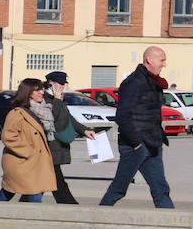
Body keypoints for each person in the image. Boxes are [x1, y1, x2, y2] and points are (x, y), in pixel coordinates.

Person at [99, 46, 174, 208]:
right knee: (119, 189)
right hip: (135, 146)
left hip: (153, 143)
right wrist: (136, 143)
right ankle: (95, 220)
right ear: (149, 60)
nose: (165, 64)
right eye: (162, 60)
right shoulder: (133, 82)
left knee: (160, 188)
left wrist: (157, 136)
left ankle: (173, 226)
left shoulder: (153, 82)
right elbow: (122, 116)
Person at [0, 78, 56, 202]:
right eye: (37, 90)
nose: (41, 92)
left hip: (36, 162)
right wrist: (29, 152)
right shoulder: (17, 113)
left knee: (17, 192)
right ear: (27, 93)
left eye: (42, 90)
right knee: (27, 192)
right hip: (22, 162)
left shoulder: (43, 111)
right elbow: (8, 137)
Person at [43, 71, 98, 204]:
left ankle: (67, 204)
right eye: (60, 84)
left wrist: (84, 130)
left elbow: (67, 118)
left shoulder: (58, 99)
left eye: (64, 84)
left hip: (58, 144)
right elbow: (51, 118)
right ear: (50, 83)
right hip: (49, 145)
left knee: (50, 179)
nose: (62, 87)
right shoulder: (44, 98)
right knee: (55, 179)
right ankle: (70, 205)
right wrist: (56, 99)